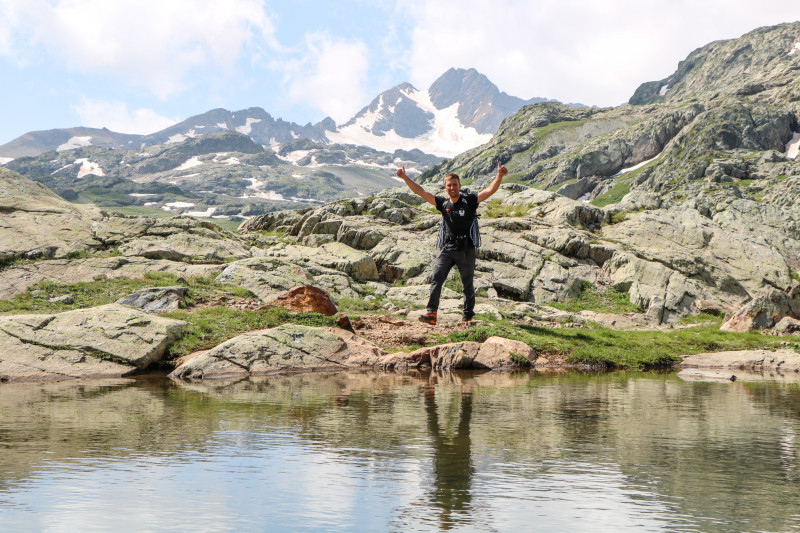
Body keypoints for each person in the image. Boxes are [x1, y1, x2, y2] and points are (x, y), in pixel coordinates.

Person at [396, 161, 508, 325]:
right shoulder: (443, 203)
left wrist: (499, 176)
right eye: (449, 185)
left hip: (466, 249)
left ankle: (467, 316)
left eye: (455, 185)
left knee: (467, 285)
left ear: (459, 185)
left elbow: (489, 191)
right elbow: (421, 192)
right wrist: (405, 178)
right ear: (445, 188)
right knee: (436, 278)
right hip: (448, 247)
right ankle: (431, 314)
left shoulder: (469, 200)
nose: (452, 187)